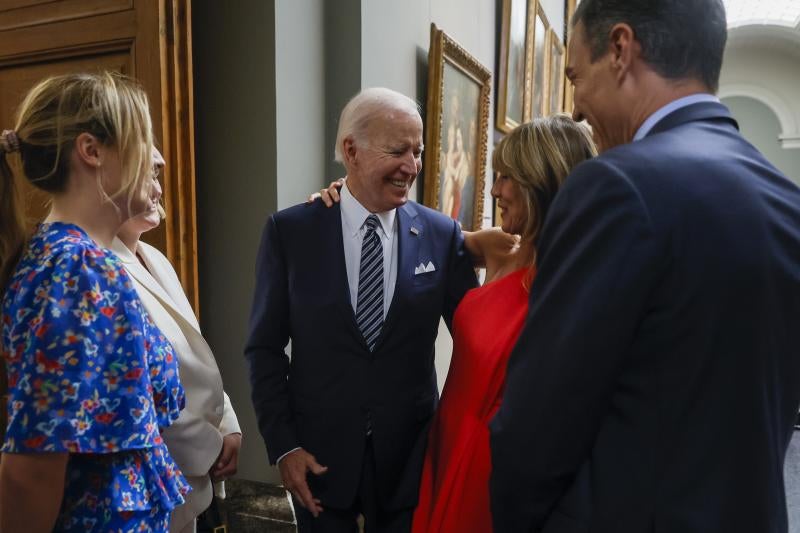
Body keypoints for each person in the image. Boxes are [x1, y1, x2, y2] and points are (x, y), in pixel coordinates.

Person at [489, 1, 800, 532]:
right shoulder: (785, 199)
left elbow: (537, 430)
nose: (579, 108)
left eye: (575, 77)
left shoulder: (616, 185)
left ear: (619, 50)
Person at [245, 87, 478, 533]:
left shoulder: (441, 235)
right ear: (351, 151)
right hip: (318, 466)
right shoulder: (291, 233)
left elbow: (475, 341)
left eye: (419, 151)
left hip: (412, 465)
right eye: (398, 150)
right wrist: (283, 446)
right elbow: (264, 349)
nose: (412, 167)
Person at [0, 72, 189, 532]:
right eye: (144, 140)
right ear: (91, 151)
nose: (158, 159)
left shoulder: (72, 260)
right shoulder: (77, 271)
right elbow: (32, 473)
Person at [411, 115, 596, 533]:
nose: (494, 190)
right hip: (447, 436)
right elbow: (417, 238)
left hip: (495, 464)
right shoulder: (496, 247)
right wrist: (344, 199)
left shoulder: (571, 280)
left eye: (507, 177)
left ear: (543, 184)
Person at [111, 148, 242, 533]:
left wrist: (229, 423)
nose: (159, 187)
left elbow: (192, 355)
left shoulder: (155, 257)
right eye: (147, 175)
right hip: (153, 482)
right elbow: (142, 392)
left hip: (191, 478)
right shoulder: (97, 269)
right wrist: (211, 448)